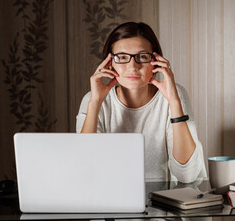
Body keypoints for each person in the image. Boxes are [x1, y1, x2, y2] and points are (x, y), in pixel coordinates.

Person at [76, 22, 206, 183]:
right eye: (122, 57)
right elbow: (84, 169)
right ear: (109, 63)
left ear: (156, 61)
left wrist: (174, 101)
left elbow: (187, 175)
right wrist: (95, 103)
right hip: (110, 201)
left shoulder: (174, 94)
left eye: (142, 56)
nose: (133, 66)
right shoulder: (92, 99)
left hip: (162, 203)